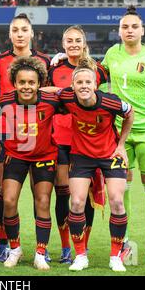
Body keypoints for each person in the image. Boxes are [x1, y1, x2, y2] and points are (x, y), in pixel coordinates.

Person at [100, 6, 145, 267]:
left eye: (134, 26)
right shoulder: (111, 54)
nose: (129, 30)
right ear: (119, 31)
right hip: (121, 135)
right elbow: (97, 79)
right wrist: (66, 57)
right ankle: (124, 244)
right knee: (122, 190)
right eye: (124, 27)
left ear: (142, 30)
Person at [57, 60, 134, 272]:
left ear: (95, 84)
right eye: (79, 82)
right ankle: (80, 255)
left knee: (118, 202)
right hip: (81, 156)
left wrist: (121, 145)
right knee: (77, 203)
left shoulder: (111, 102)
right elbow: (50, 91)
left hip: (110, 155)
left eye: (88, 82)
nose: (83, 85)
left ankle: (115, 256)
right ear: (72, 86)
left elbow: (130, 114)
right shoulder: (67, 97)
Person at [44, 25, 108, 264]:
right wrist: (67, 90)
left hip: (88, 140)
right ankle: (65, 247)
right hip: (60, 138)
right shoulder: (55, 68)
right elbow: (44, 92)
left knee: (86, 196)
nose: (73, 44)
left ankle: (84, 245)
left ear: (84, 43)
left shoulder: (97, 69)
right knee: (63, 193)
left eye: (77, 40)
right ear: (63, 45)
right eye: (69, 40)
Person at [0, 13, 50, 262]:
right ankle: (6, 244)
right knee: (6, 195)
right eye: (15, 30)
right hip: (8, 136)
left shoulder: (45, 61)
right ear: (10, 34)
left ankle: (42, 250)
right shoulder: (0, 61)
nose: (20, 34)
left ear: (32, 33)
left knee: (44, 197)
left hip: (39, 136)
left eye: (24, 29)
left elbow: (52, 95)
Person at [0, 56, 61, 270]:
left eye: (31, 82)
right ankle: (15, 249)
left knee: (42, 201)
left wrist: (55, 90)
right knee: (8, 201)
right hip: (15, 156)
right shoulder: (3, 102)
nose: (26, 86)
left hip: (44, 156)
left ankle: (40, 252)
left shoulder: (51, 101)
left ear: (39, 83)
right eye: (22, 82)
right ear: (14, 83)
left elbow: (69, 94)